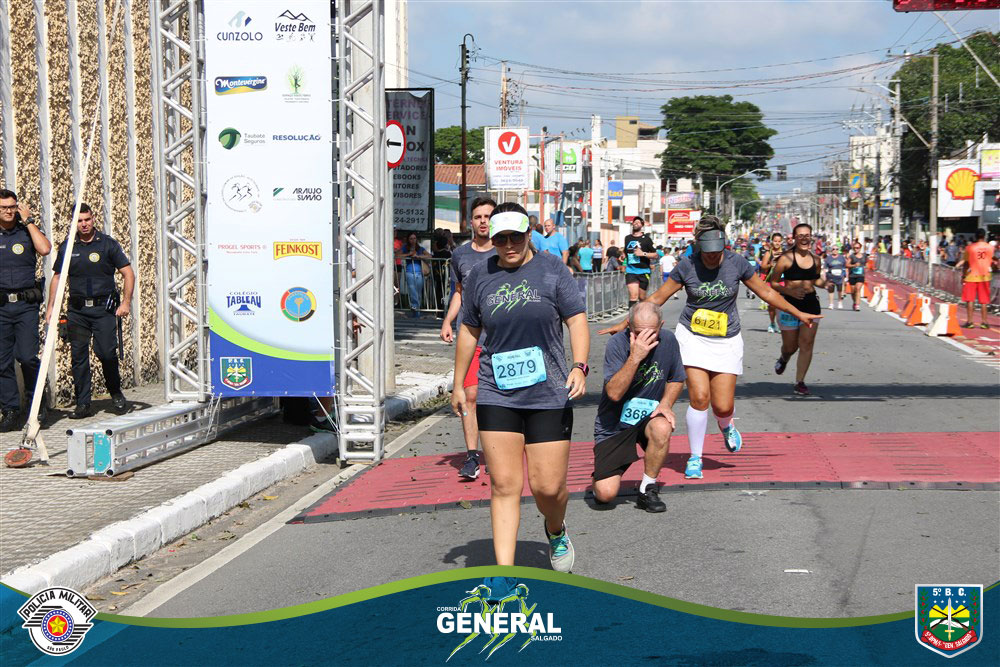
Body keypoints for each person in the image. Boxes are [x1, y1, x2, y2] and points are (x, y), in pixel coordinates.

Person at [600, 216, 818, 480]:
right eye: (708, 252)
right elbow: (657, 298)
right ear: (699, 245)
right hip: (692, 337)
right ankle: (696, 457)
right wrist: (625, 323)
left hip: (727, 339)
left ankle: (726, 424)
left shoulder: (737, 262)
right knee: (700, 398)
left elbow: (767, 292)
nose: (713, 257)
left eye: (718, 251)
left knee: (723, 406)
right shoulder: (687, 265)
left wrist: (798, 313)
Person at [452, 202, 590, 572]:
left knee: (548, 488)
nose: (509, 245)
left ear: (529, 234)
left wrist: (579, 366)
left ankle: (556, 528)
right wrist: (458, 383)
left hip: (549, 392)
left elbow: (577, 320)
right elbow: (469, 331)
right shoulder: (480, 275)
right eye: (501, 239)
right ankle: (504, 574)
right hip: (496, 391)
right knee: (504, 485)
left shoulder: (552, 269)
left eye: (516, 236)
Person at [592, 302, 684, 512]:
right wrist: (635, 357)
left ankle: (647, 489)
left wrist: (666, 403)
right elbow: (614, 393)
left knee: (663, 426)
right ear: (629, 326)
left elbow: (676, 378)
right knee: (605, 494)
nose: (644, 338)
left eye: (651, 333)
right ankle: (602, 472)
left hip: (648, 418)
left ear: (661, 326)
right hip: (615, 424)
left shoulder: (669, 340)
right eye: (639, 332)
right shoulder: (617, 343)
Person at [46, 203, 134, 419]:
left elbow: (128, 273)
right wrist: (51, 307)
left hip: (103, 310)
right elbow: (57, 277)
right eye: (79, 221)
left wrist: (126, 303)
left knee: (106, 353)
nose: (84, 224)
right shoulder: (68, 247)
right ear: (74, 223)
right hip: (77, 312)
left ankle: (115, 393)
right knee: (78, 356)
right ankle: (83, 403)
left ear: (93, 219)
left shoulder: (107, 244)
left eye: (87, 219)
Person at [441, 197, 497, 479]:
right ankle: (472, 456)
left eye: (488, 216)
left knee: (502, 398)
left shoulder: (507, 250)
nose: (483, 221)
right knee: (469, 395)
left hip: (503, 338)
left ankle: (506, 448)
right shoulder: (460, 255)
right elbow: (459, 292)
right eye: (478, 217)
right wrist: (448, 320)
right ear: (470, 222)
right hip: (472, 337)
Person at [0, 190, 52, 431]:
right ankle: (10, 410)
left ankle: (37, 404)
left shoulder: (26, 232)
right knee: (2, 362)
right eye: (4, 207)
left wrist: (29, 220)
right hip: (1, 307)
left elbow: (45, 249)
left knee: (27, 356)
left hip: (25, 306)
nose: (9, 211)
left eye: (12, 206)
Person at [770, 223, 826, 396]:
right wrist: (790, 291)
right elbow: (773, 282)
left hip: (810, 304)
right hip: (789, 305)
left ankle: (799, 381)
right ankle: (784, 358)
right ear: (794, 238)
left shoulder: (816, 260)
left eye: (807, 235)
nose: (804, 238)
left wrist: (827, 284)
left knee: (806, 343)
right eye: (800, 235)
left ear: (811, 237)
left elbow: (815, 279)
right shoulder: (785, 259)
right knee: (790, 346)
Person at [955, 228, 996, 329]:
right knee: (984, 301)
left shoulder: (970, 247)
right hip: (985, 276)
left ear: (975, 236)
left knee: (970, 300)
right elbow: (992, 261)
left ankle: (970, 322)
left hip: (971, 276)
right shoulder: (990, 248)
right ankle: (984, 322)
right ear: (984, 236)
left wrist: (963, 275)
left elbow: (966, 263)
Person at [622, 216, 657, 307]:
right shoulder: (627, 238)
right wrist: (623, 257)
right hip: (631, 271)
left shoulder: (646, 239)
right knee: (633, 296)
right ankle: (632, 315)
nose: (635, 224)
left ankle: (643, 312)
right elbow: (625, 252)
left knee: (642, 297)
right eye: (634, 222)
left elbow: (655, 254)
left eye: (638, 222)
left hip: (643, 271)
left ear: (642, 225)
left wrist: (643, 254)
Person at [395, 232, 430, 318]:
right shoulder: (405, 247)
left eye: (414, 238)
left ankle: (416, 312)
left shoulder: (420, 248)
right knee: (412, 291)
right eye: (411, 238)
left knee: (418, 293)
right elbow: (397, 255)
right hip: (409, 272)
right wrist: (408, 254)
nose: (413, 240)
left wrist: (419, 256)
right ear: (408, 239)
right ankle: (415, 308)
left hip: (419, 272)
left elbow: (429, 256)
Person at [759, 232, 785, 332]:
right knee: (772, 305)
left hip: (782, 281)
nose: (777, 243)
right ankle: (772, 323)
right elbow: (763, 267)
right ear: (772, 242)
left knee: (781, 304)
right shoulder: (768, 253)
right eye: (775, 241)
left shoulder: (785, 253)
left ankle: (780, 323)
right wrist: (771, 264)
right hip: (770, 281)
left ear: (781, 242)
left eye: (779, 241)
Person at [823, 244, 847, 309]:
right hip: (831, 276)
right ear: (831, 250)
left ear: (838, 250)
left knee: (839, 290)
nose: (835, 250)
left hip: (839, 276)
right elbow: (825, 268)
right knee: (831, 290)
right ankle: (831, 304)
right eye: (833, 249)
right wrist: (824, 277)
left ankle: (840, 302)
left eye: (836, 249)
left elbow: (845, 267)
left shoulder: (842, 258)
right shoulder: (828, 258)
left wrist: (846, 276)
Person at [845, 241, 867, 311]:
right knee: (853, 291)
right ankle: (855, 302)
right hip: (852, 275)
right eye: (854, 248)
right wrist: (854, 265)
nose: (856, 249)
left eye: (857, 248)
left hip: (861, 275)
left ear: (860, 248)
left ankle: (857, 305)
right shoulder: (851, 256)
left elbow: (866, 263)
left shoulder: (864, 256)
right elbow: (847, 265)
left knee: (857, 289)